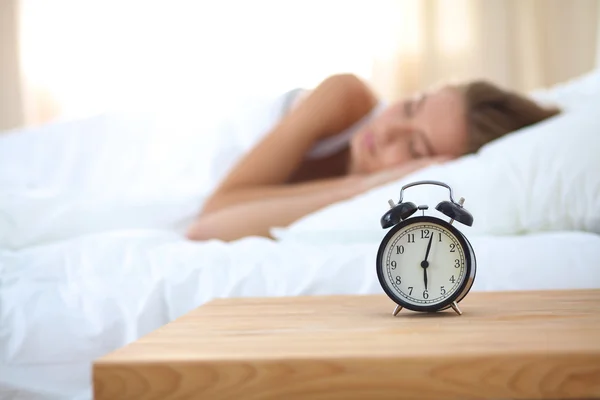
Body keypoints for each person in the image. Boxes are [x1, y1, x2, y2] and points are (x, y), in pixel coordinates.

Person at [187, 73, 560, 242]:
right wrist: (360, 184)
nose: (388, 131)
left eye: (415, 149)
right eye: (411, 106)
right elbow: (214, 211)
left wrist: (364, 188)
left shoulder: (374, 201)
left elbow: (211, 228)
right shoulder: (345, 98)